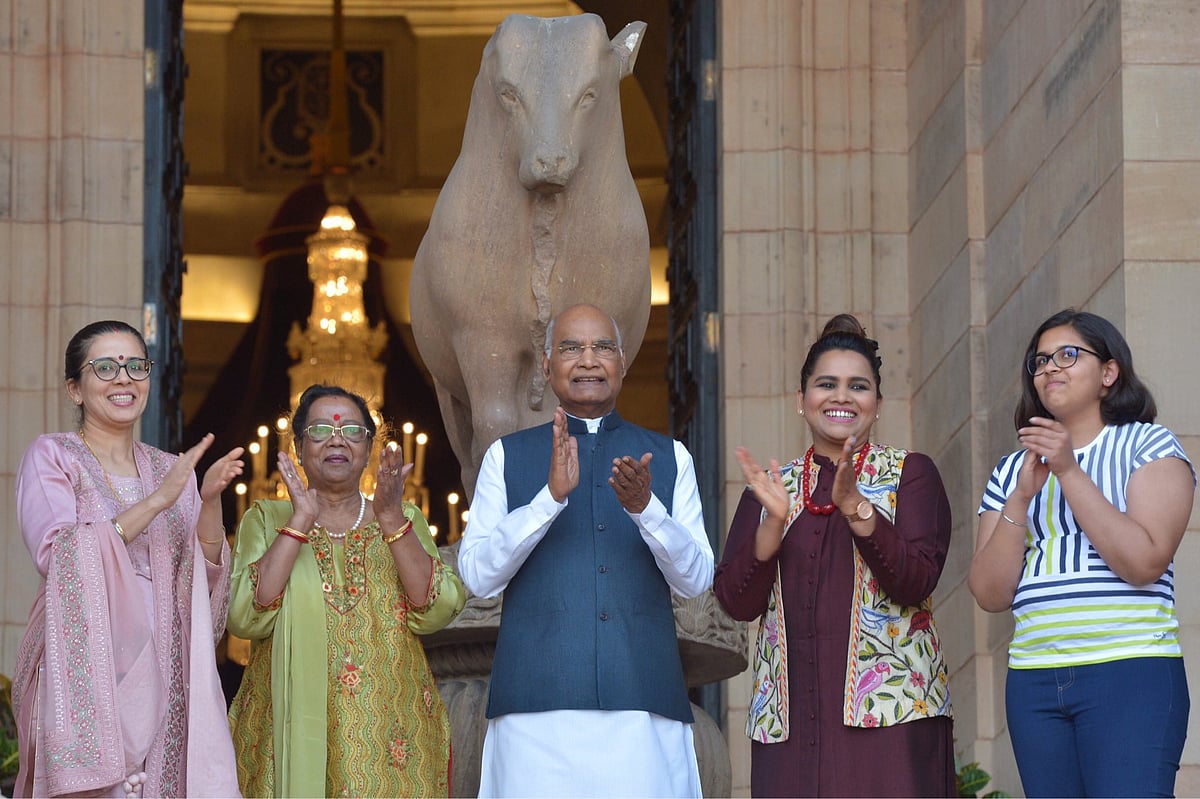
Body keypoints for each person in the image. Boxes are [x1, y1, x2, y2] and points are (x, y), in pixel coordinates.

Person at [457, 303, 714, 798]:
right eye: (572, 348)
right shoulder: (505, 456)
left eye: (603, 348)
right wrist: (547, 500)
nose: (588, 360)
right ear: (548, 365)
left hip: (642, 708)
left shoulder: (669, 457)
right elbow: (478, 577)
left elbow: (697, 578)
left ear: (623, 363)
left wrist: (647, 510)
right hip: (535, 713)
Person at [714, 313, 955, 797]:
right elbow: (736, 603)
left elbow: (915, 581)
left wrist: (856, 507)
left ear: (878, 403)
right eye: (827, 384)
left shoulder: (911, 474)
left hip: (892, 726)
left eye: (858, 386)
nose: (842, 396)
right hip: (790, 731)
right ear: (801, 401)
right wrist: (774, 524)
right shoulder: (770, 488)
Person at [11, 320, 244, 798]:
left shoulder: (169, 467)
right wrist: (159, 500)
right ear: (75, 389)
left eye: (136, 365)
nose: (124, 378)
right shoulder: (55, 457)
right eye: (105, 367)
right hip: (87, 666)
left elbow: (203, 575)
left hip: (168, 665)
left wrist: (210, 499)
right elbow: (60, 556)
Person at [969, 309, 1194, 797]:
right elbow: (988, 592)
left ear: (1108, 373)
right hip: (1033, 679)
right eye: (1041, 360)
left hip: (1129, 670)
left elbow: (1144, 561)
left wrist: (1069, 471)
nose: (1050, 367)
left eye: (1069, 355)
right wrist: (1022, 497)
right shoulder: (1012, 470)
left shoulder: (1148, 445)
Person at [226, 384, 466, 798]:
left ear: (370, 447)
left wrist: (391, 521)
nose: (337, 439)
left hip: (391, 734)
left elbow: (438, 608)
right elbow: (245, 615)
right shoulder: (266, 519)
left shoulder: (402, 517)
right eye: (320, 430)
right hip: (289, 726)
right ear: (299, 447)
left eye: (353, 431)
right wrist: (299, 523)